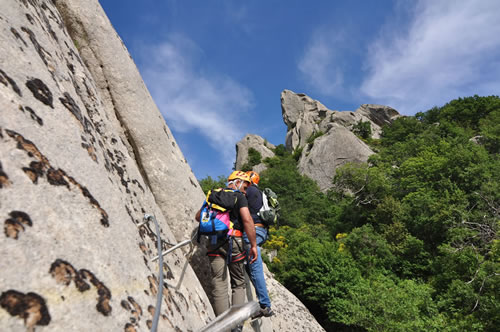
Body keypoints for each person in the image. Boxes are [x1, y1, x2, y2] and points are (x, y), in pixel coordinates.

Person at [195, 171, 258, 324]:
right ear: (237, 182)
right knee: (238, 282)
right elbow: (247, 220)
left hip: (214, 242)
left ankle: (224, 324)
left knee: (219, 281)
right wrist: (254, 245)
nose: (246, 189)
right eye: (245, 185)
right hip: (234, 241)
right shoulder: (239, 197)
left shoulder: (214, 195)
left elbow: (198, 216)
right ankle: (236, 324)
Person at [244, 171, 274, 318]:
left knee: (254, 266)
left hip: (253, 231)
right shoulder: (260, 193)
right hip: (262, 231)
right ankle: (263, 301)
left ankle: (265, 305)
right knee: (249, 265)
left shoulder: (249, 190)